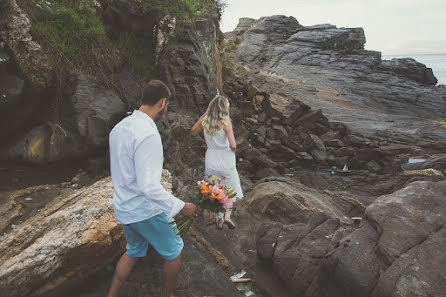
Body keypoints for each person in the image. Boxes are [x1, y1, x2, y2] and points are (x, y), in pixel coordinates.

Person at [107, 80, 202, 297]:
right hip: (144, 210)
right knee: (174, 250)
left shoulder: (119, 128)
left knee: (133, 251)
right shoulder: (148, 134)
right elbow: (148, 187)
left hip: (124, 207)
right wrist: (182, 206)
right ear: (162, 102)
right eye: (166, 106)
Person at [191, 95, 243, 229]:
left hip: (211, 158)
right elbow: (233, 144)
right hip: (225, 158)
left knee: (215, 189)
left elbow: (193, 132)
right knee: (229, 189)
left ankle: (218, 220)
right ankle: (227, 216)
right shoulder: (226, 122)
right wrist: (233, 151)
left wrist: (203, 116)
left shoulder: (205, 120)